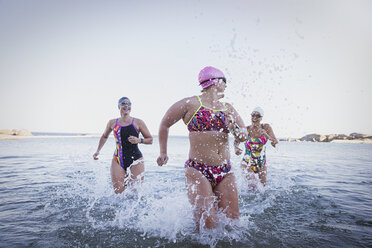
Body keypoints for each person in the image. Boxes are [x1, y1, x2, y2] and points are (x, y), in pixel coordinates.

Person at [156, 66, 248, 231]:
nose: (226, 86)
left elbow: (243, 135)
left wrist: (233, 127)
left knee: (233, 224)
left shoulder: (228, 108)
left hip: (225, 171)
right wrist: (163, 152)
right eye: (224, 81)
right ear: (216, 81)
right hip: (198, 169)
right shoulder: (190, 103)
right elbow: (165, 123)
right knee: (207, 226)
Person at [93, 97, 153, 194]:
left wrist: (139, 140)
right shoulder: (112, 123)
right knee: (118, 193)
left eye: (129, 104)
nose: (126, 105)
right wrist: (98, 151)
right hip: (118, 159)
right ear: (118, 106)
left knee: (135, 193)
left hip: (136, 159)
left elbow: (150, 140)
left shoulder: (138, 122)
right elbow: (104, 136)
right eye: (123, 103)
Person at [234, 107, 278, 187]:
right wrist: (236, 148)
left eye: (257, 116)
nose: (254, 117)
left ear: (261, 118)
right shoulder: (246, 129)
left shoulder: (266, 127)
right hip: (247, 162)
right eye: (253, 115)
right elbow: (237, 140)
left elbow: (275, 142)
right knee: (253, 187)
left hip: (261, 162)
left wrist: (266, 135)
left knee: (262, 189)